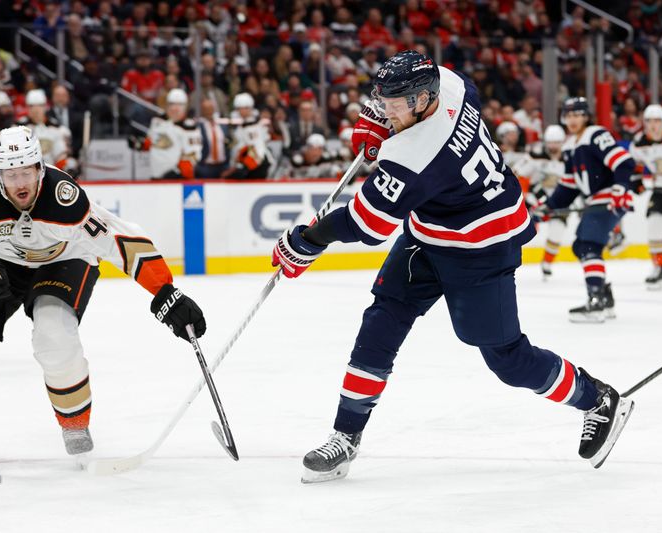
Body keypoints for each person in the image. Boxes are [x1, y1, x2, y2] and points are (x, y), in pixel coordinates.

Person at [270, 51, 634, 483]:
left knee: (506, 358)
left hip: (485, 246)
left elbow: (365, 224)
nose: (387, 110)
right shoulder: (450, 84)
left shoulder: (417, 156)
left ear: (425, 99)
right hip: (431, 232)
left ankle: (597, 399)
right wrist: (385, 123)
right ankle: (345, 436)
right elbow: (456, 96)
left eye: (396, 104)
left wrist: (306, 242)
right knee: (382, 319)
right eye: (383, 100)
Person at [0, 126, 206, 462]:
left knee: (54, 335)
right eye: (11, 175)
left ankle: (75, 425)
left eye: (26, 173)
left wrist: (164, 291)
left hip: (67, 261)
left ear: (40, 168)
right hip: (6, 264)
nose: (20, 184)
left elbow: (121, 240)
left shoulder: (65, 199)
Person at [535, 97, 636, 323]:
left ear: (586, 116)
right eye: (569, 115)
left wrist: (620, 186)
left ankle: (597, 300)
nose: (572, 119)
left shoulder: (596, 134)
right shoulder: (570, 146)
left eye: (577, 114)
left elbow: (624, 162)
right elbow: (569, 187)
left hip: (610, 197)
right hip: (596, 200)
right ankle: (604, 297)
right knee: (581, 246)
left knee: (588, 245)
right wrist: (548, 207)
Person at [512, 124, 569, 278]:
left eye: (557, 142)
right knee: (522, 231)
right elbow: (518, 174)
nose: (553, 146)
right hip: (535, 198)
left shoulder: (570, 157)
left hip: (558, 200)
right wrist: (527, 196)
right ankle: (508, 259)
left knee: (557, 230)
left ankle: (547, 263)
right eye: (551, 142)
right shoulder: (535, 155)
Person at [629, 103, 662, 290]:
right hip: (661, 189)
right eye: (650, 121)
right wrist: (636, 183)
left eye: (658, 121)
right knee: (654, 229)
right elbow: (636, 167)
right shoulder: (639, 143)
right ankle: (658, 268)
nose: (654, 125)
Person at [143, 88, 203, 180]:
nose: (175, 108)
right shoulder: (157, 122)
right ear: (166, 105)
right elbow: (150, 143)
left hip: (175, 179)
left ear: (186, 106)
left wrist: (177, 171)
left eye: (180, 104)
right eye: (172, 104)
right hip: (155, 176)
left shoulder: (189, 127)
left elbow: (193, 155)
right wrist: (139, 144)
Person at [18, 89, 77, 177]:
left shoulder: (57, 129)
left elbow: (61, 157)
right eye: (31, 106)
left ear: (46, 107)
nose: (35, 110)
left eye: (39, 106)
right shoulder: (17, 128)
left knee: (71, 163)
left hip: (50, 174)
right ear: (27, 107)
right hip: (24, 176)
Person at [221, 93, 272, 179]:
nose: (242, 111)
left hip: (253, 166)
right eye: (240, 108)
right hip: (242, 163)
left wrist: (236, 169)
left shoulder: (253, 126)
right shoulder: (238, 127)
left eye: (246, 108)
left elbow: (257, 150)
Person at [274, 133, 342, 179]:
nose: (316, 153)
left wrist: (340, 174)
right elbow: (282, 177)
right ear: (307, 148)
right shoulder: (296, 160)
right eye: (312, 148)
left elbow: (336, 171)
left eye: (319, 149)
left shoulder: (326, 160)